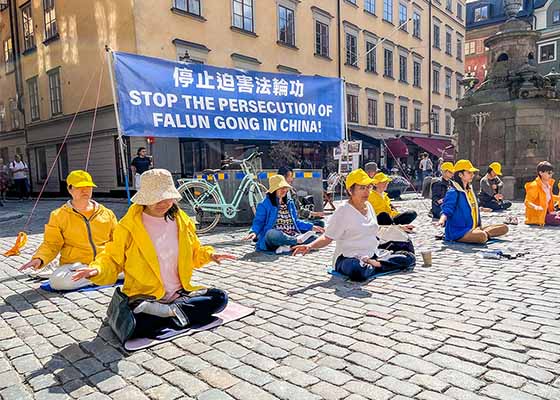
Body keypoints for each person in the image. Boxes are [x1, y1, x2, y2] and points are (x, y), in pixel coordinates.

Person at [71, 169, 234, 341]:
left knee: (220, 298)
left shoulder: (182, 221)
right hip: (147, 297)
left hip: (179, 295)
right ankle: (173, 316)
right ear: (145, 199)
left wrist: (210, 255)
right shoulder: (128, 226)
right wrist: (96, 270)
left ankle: (167, 314)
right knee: (137, 324)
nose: (163, 203)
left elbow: (194, 252)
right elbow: (111, 257)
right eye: (157, 198)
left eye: (167, 197)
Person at [292, 169, 415, 282]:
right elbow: (327, 237)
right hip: (348, 258)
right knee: (357, 270)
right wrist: (310, 246)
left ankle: (376, 264)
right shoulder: (343, 210)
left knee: (409, 257)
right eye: (362, 188)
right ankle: (378, 265)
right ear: (350, 190)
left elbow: (376, 230)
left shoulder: (369, 207)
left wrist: (398, 228)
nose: (367, 192)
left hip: (372, 254)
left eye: (368, 187)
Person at [18, 170, 119, 290]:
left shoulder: (107, 213)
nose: (85, 190)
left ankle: (97, 276)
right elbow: (51, 244)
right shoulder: (58, 215)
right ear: (70, 189)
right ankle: (102, 278)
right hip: (75, 265)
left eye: (88, 187)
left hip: (104, 263)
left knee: (138, 267)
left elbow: (118, 241)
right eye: (80, 187)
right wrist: (39, 258)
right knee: (57, 281)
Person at [243, 174, 324, 253]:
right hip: (276, 237)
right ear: (274, 190)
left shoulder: (290, 203)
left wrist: (312, 227)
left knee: (315, 238)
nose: (284, 190)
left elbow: (296, 222)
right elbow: (258, 222)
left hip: (292, 234)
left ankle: (288, 246)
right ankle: (295, 242)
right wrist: (253, 232)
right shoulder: (264, 204)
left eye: (285, 188)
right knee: (271, 234)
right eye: (281, 188)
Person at [436, 160, 508, 243]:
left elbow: (473, 206)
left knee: (504, 227)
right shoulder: (453, 192)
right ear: (460, 175)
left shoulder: (470, 190)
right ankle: (483, 234)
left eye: (472, 173)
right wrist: (442, 220)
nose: (472, 175)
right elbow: (447, 210)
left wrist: (482, 208)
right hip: (459, 231)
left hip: (474, 227)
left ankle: (481, 233)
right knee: (481, 236)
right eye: (469, 172)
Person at [524, 161, 560, 226]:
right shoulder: (534, 186)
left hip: (548, 212)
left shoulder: (548, 185)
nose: (551, 175)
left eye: (552, 173)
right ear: (541, 173)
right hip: (538, 216)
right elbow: (527, 202)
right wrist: (535, 207)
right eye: (549, 173)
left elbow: (549, 196)